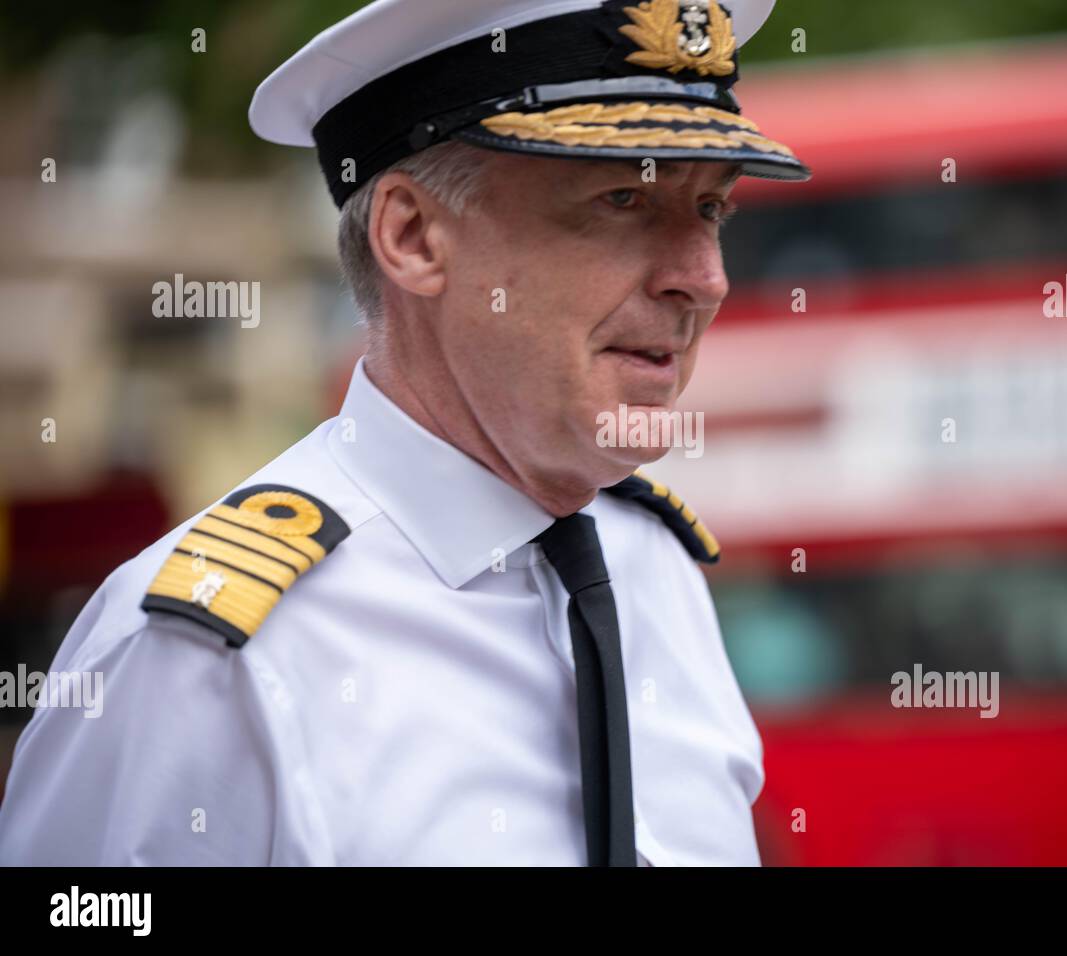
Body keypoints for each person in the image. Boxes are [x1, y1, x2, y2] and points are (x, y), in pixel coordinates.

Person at [0, 0, 809, 865]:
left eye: (712, 209)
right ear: (413, 236)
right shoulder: (205, 658)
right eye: (622, 198)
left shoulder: (652, 569)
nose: (706, 279)